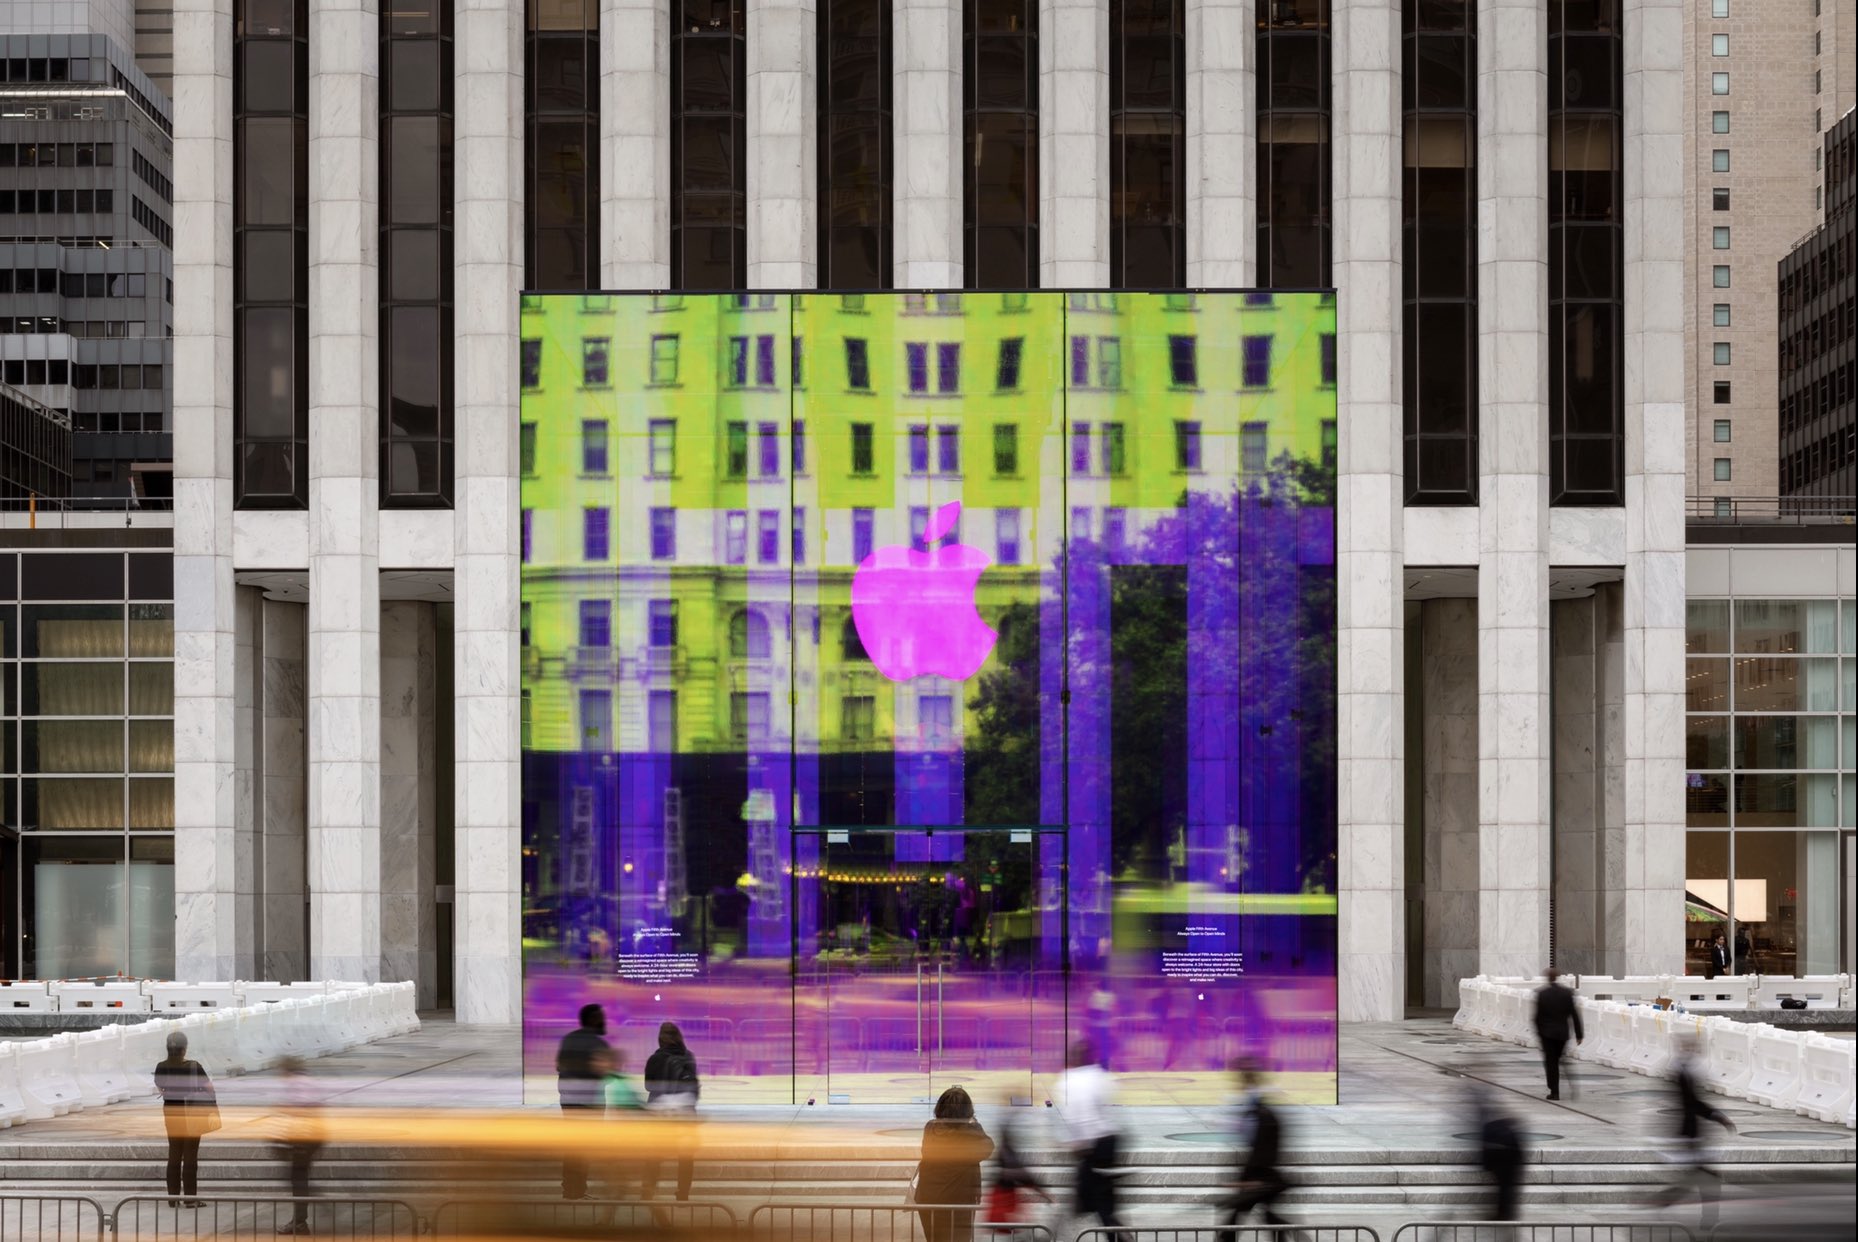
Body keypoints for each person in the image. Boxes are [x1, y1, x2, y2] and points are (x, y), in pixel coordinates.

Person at [1653, 1033, 1736, 1228]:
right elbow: (1693, 1103)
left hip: (1691, 1132)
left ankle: (1669, 1204)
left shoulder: (1684, 1069)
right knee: (1708, 1178)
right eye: (1689, 1046)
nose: (1693, 1049)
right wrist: (1718, 1117)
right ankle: (1707, 1219)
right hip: (1690, 1133)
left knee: (1699, 1178)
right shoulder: (1683, 1072)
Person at [1217, 1059, 1292, 1238]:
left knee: (1236, 1220)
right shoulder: (1259, 1109)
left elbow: (1260, 1147)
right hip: (1261, 1174)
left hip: (1260, 1175)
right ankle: (1284, 1230)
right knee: (1264, 1217)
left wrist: (1245, 1180)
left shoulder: (1260, 1112)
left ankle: (1283, 1229)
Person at [1054, 1040, 1123, 1229]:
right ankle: (1116, 1231)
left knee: (1096, 1198)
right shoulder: (1100, 1076)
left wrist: (1073, 1141)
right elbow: (1107, 1107)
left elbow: (1076, 1115)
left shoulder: (1070, 1079)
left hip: (1093, 1144)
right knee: (1099, 1198)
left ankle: (1117, 1233)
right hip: (1107, 1141)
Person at [914, 1086, 995, 1242]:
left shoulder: (930, 1128)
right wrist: (974, 1124)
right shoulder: (971, 1133)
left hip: (929, 1199)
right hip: (960, 1201)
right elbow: (988, 1148)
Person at [153, 1030, 219, 1207]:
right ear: (185, 1048)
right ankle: (190, 1199)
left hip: (171, 1112)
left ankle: (172, 1198)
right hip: (191, 1112)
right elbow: (210, 1088)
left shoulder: (161, 1066)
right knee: (190, 1155)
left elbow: (161, 1089)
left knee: (174, 1152)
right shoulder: (193, 1066)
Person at [556, 1003, 612, 1200]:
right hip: (590, 1103)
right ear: (592, 1019)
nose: (604, 1020)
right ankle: (577, 1189)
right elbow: (605, 1072)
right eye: (600, 1016)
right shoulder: (598, 1044)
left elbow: (560, 1066)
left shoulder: (568, 1039)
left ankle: (570, 1189)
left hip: (569, 1100)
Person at [642, 1021, 701, 1202]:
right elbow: (693, 1087)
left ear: (660, 1038)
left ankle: (649, 1191)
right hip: (684, 1113)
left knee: (654, 1155)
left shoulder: (654, 1059)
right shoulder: (688, 1056)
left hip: (659, 1113)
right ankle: (683, 1193)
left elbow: (647, 1085)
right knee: (685, 1156)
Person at [983, 1093, 1052, 1228]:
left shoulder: (1004, 1150)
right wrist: (1042, 1192)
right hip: (1005, 1213)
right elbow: (1019, 1173)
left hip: (1003, 1209)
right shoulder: (1007, 1153)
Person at [273, 1057, 322, 1235]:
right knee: (298, 1177)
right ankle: (299, 1219)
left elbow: (302, 1109)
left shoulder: (298, 1082)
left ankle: (300, 1222)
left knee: (298, 1179)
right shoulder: (304, 1081)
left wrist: (283, 1109)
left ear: (287, 1070)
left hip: (305, 1138)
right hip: (308, 1137)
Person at [1471, 1083, 1525, 1224]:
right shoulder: (1497, 1121)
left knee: (1505, 1186)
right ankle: (1505, 1213)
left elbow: (1487, 1144)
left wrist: (1486, 1164)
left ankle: (1504, 1213)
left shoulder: (1490, 1124)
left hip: (1505, 1155)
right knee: (1506, 1186)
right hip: (1509, 1154)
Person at [1531, 967, 1583, 1101]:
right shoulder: (1567, 993)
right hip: (1562, 1033)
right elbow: (1574, 1014)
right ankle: (1572, 1085)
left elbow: (1537, 1017)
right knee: (1562, 1059)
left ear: (1548, 978)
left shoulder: (1542, 994)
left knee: (1551, 1062)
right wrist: (1579, 1034)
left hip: (1547, 1034)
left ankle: (1554, 1091)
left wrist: (1539, 1033)